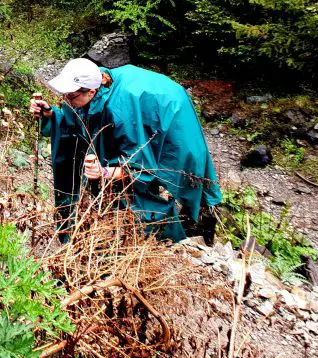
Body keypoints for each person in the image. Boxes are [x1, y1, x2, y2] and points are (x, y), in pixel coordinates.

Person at [29, 58, 220, 242]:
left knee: (181, 172)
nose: (65, 100)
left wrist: (104, 172)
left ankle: (192, 224)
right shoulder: (92, 90)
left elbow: (141, 168)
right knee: (116, 177)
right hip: (138, 108)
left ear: (92, 92)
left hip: (171, 114)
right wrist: (51, 114)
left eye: (70, 95)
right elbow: (78, 122)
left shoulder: (121, 114)